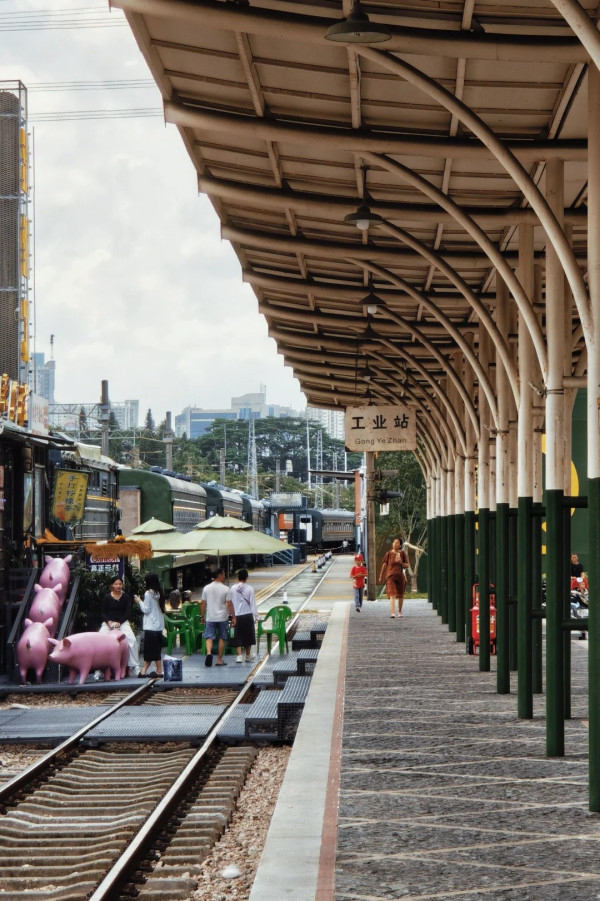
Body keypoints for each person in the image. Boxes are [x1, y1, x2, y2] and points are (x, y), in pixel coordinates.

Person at [98, 574, 140, 676]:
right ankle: (98, 669)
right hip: (108, 623)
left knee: (132, 640)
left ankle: (135, 666)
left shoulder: (125, 597)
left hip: (122, 622)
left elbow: (128, 612)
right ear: (112, 585)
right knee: (99, 640)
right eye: (116, 584)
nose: (118, 586)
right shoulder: (107, 597)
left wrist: (119, 622)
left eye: (120, 584)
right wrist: (108, 622)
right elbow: (103, 612)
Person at [201, 568, 235, 667]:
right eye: (224, 574)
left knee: (209, 636)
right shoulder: (226, 589)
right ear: (220, 575)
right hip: (222, 617)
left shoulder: (207, 588)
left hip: (210, 617)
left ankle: (208, 652)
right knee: (222, 637)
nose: (224, 576)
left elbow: (203, 603)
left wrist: (202, 616)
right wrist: (233, 617)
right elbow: (229, 604)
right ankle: (219, 660)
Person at [137, 573, 165, 677]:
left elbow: (146, 610)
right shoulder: (160, 592)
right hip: (159, 626)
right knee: (155, 649)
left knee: (150, 650)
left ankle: (156, 670)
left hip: (150, 626)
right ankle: (146, 670)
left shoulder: (148, 594)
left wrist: (139, 601)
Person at [228, 568, 257, 662]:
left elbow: (230, 603)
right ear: (246, 577)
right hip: (247, 615)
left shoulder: (232, 588)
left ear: (238, 577)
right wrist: (256, 616)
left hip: (236, 615)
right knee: (248, 635)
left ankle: (239, 656)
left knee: (237, 635)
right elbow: (252, 603)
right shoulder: (250, 589)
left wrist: (231, 614)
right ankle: (248, 655)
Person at [378, 538, 410, 618]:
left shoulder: (403, 554)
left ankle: (399, 611)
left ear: (400, 545)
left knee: (400, 594)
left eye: (397, 543)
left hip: (400, 577)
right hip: (390, 576)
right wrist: (381, 575)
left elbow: (407, 565)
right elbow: (384, 564)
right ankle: (392, 612)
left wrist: (401, 563)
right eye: (394, 542)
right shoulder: (388, 553)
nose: (394, 544)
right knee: (392, 594)